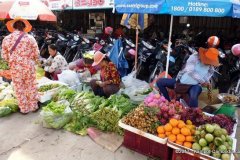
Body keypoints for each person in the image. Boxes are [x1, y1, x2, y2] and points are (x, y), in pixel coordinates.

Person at [156, 36, 220, 108]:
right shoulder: (194, 57)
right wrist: (202, 81)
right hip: (182, 82)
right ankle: (167, 101)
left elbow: (210, 72)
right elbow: (190, 71)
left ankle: (192, 114)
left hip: (194, 85)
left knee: (193, 97)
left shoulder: (211, 63)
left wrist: (206, 81)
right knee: (160, 82)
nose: (209, 63)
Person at [1, 18, 40, 114]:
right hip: (28, 67)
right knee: (31, 86)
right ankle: (33, 107)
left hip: (15, 68)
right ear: (24, 27)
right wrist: (31, 59)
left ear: (13, 27)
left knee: (19, 87)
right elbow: (36, 54)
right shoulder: (30, 38)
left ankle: (24, 109)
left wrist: (12, 60)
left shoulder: (7, 39)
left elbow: (4, 55)